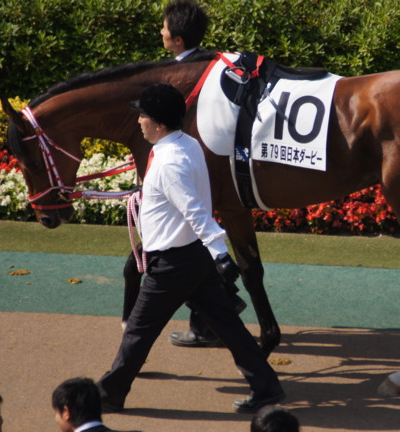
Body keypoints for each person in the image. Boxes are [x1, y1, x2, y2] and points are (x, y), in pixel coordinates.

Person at [98, 83, 285, 414]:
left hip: (172, 264)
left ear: (158, 123)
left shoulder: (169, 162)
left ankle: (110, 393)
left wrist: (221, 254)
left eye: (142, 115)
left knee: (139, 332)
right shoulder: (188, 145)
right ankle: (266, 386)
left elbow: (197, 213)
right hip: (192, 258)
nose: (138, 120)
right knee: (227, 325)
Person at [121, 0, 236, 349]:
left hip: (181, 180)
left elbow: (196, 212)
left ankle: (130, 338)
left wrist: (220, 250)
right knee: (207, 293)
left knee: (148, 274)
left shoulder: (186, 76)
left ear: (179, 40)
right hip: (183, 173)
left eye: (165, 28)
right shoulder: (197, 67)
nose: (160, 31)